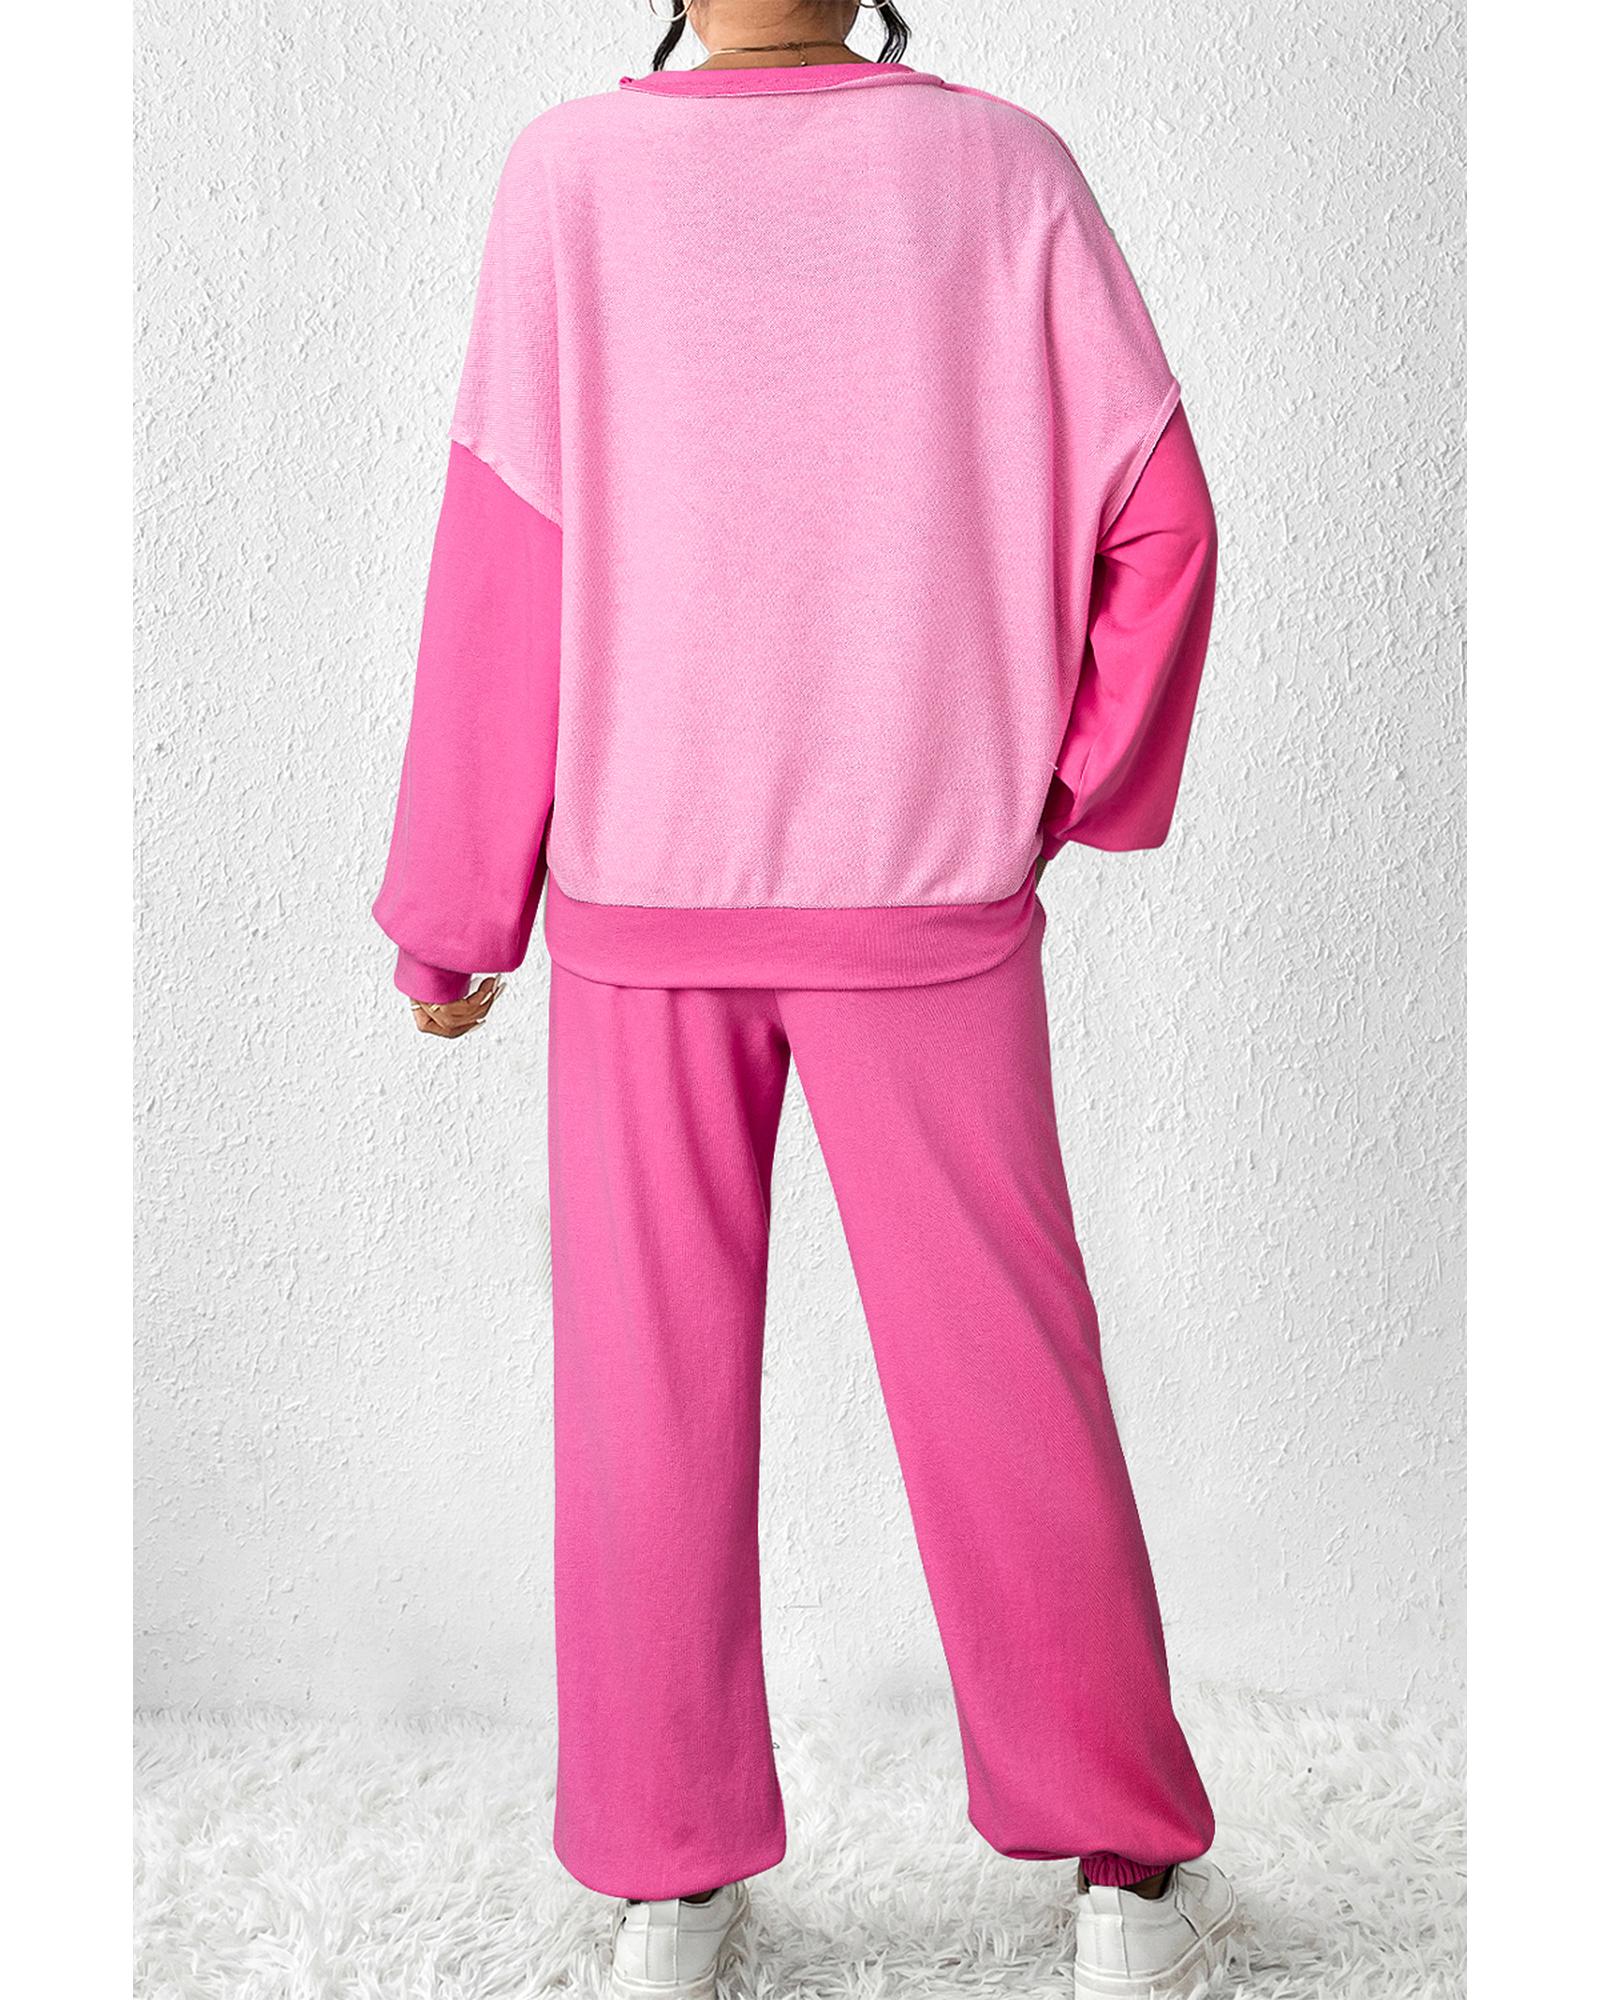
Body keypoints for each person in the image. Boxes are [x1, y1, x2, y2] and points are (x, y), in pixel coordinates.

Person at [374, 4, 1240, 1995]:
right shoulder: (998, 169)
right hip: (914, 888)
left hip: (651, 894)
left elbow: (507, 558)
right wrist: (1056, 786)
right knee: (1003, 1371)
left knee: (647, 1387)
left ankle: (668, 1886)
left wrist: (453, 912)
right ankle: (1118, 1873)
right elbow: (1162, 517)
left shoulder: (573, 177)